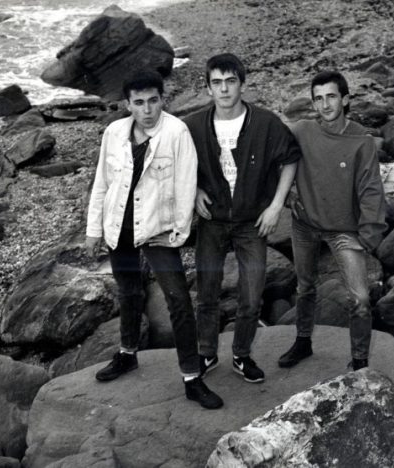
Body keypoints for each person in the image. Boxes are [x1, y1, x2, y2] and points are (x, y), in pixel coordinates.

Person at [85, 70, 223, 409]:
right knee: (128, 292)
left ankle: (192, 378)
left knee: (178, 300)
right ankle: (127, 353)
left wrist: (176, 234)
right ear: (128, 104)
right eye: (139, 103)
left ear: (163, 99)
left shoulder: (176, 132)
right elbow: (102, 182)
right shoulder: (113, 133)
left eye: (153, 101)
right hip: (120, 226)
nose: (147, 110)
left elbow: (186, 185)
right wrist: (94, 230)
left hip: (158, 230)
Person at [184, 53, 301, 383]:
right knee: (207, 292)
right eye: (217, 83)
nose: (224, 89)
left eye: (231, 81)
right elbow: (175, 162)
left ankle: (241, 355)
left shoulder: (265, 123)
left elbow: (291, 159)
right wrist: (194, 190)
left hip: (252, 221)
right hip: (212, 219)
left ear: (242, 85)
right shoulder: (193, 125)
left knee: (251, 295)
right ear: (208, 88)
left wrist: (275, 206)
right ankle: (207, 353)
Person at [277, 70, 388, 371]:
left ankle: (360, 362)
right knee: (305, 286)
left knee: (361, 298)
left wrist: (369, 236)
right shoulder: (302, 131)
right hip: (304, 224)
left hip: (344, 230)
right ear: (313, 103)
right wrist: (286, 195)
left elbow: (371, 190)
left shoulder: (361, 141)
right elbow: (272, 155)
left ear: (345, 99)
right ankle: (303, 341)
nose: (325, 105)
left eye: (331, 97)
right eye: (318, 99)